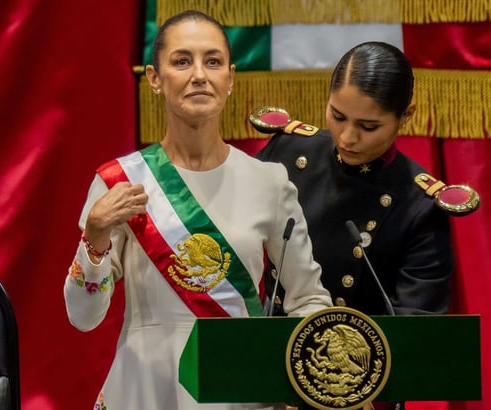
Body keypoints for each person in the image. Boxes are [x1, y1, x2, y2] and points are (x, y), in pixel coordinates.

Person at [63, 10, 332, 410]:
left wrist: (293, 380)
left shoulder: (270, 182)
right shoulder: (120, 182)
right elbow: (83, 317)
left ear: (230, 77)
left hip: (240, 390)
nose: (199, 75)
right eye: (182, 61)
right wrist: (96, 234)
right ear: (155, 78)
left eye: (213, 61)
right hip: (145, 390)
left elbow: (309, 300)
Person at [256, 41, 455, 318]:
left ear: (406, 116)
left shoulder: (419, 206)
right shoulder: (288, 152)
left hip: (362, 353)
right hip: (271, 339)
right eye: (338, 116)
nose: (348, 137)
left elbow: (417, 327)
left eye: (368, 126)